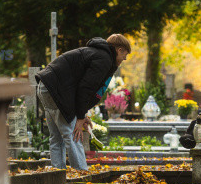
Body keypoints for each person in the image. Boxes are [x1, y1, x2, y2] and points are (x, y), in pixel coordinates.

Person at [35, 34, 131, 170]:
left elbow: (79, 87)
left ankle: (57, 176)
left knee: (57, 138)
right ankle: (82, 176)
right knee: (74, 134)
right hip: (56, 90)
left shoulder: (96, 53)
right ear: (119, 49)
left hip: (46, 87)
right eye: (124, 56)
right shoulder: (104, 59)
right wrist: (79, 117)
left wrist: (82, 115)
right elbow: (85, 88)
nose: (123, 59)